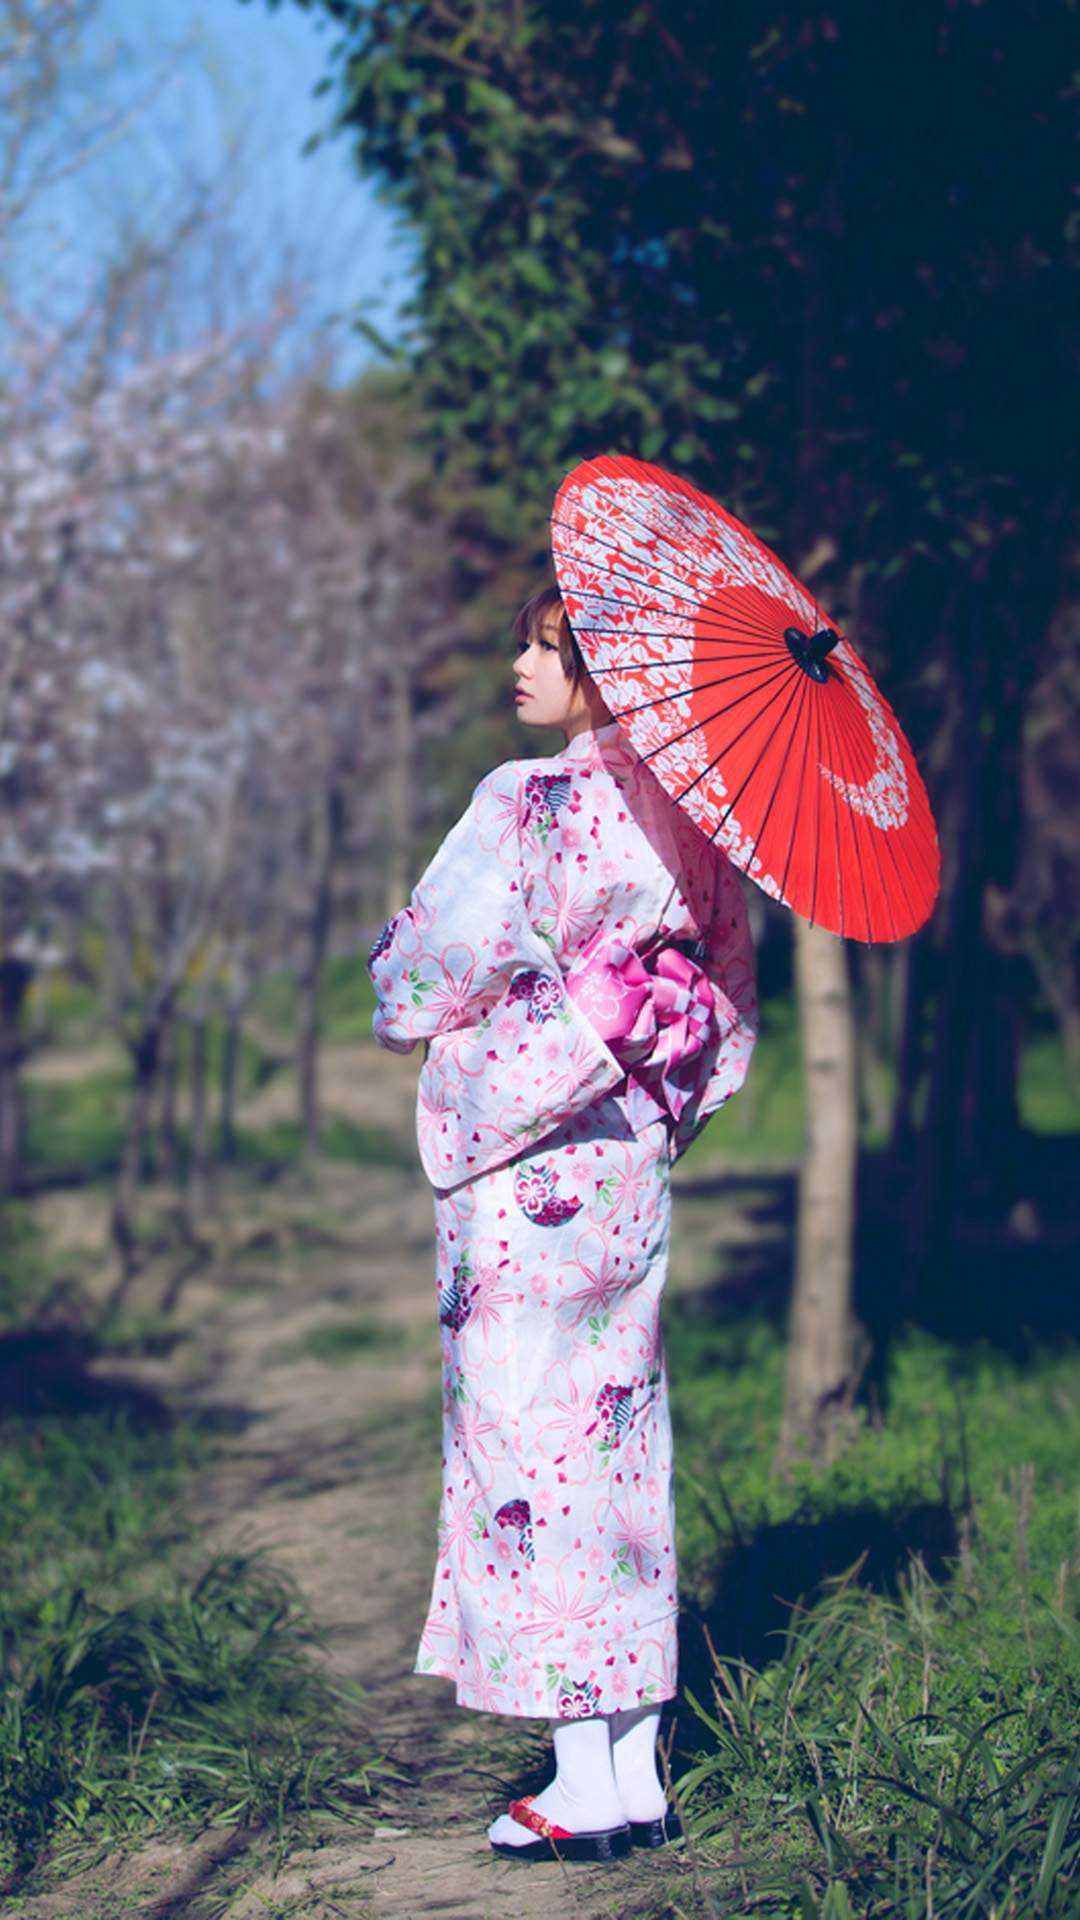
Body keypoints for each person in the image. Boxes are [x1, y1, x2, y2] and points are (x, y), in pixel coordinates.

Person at [368, 586, 757, 1862]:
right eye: (532, 641)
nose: (524, 663)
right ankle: (632, 1770)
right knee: (616, 1445)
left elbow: (419, 979)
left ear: (602, 676)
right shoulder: (701, 826)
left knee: (526, 1457)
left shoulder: (525, 801)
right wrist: (642, 1073)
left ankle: (585, 1781)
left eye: (552, 647)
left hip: (521, 1169)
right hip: (620, 1173)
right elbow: (717, 1004)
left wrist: (500, 1003)